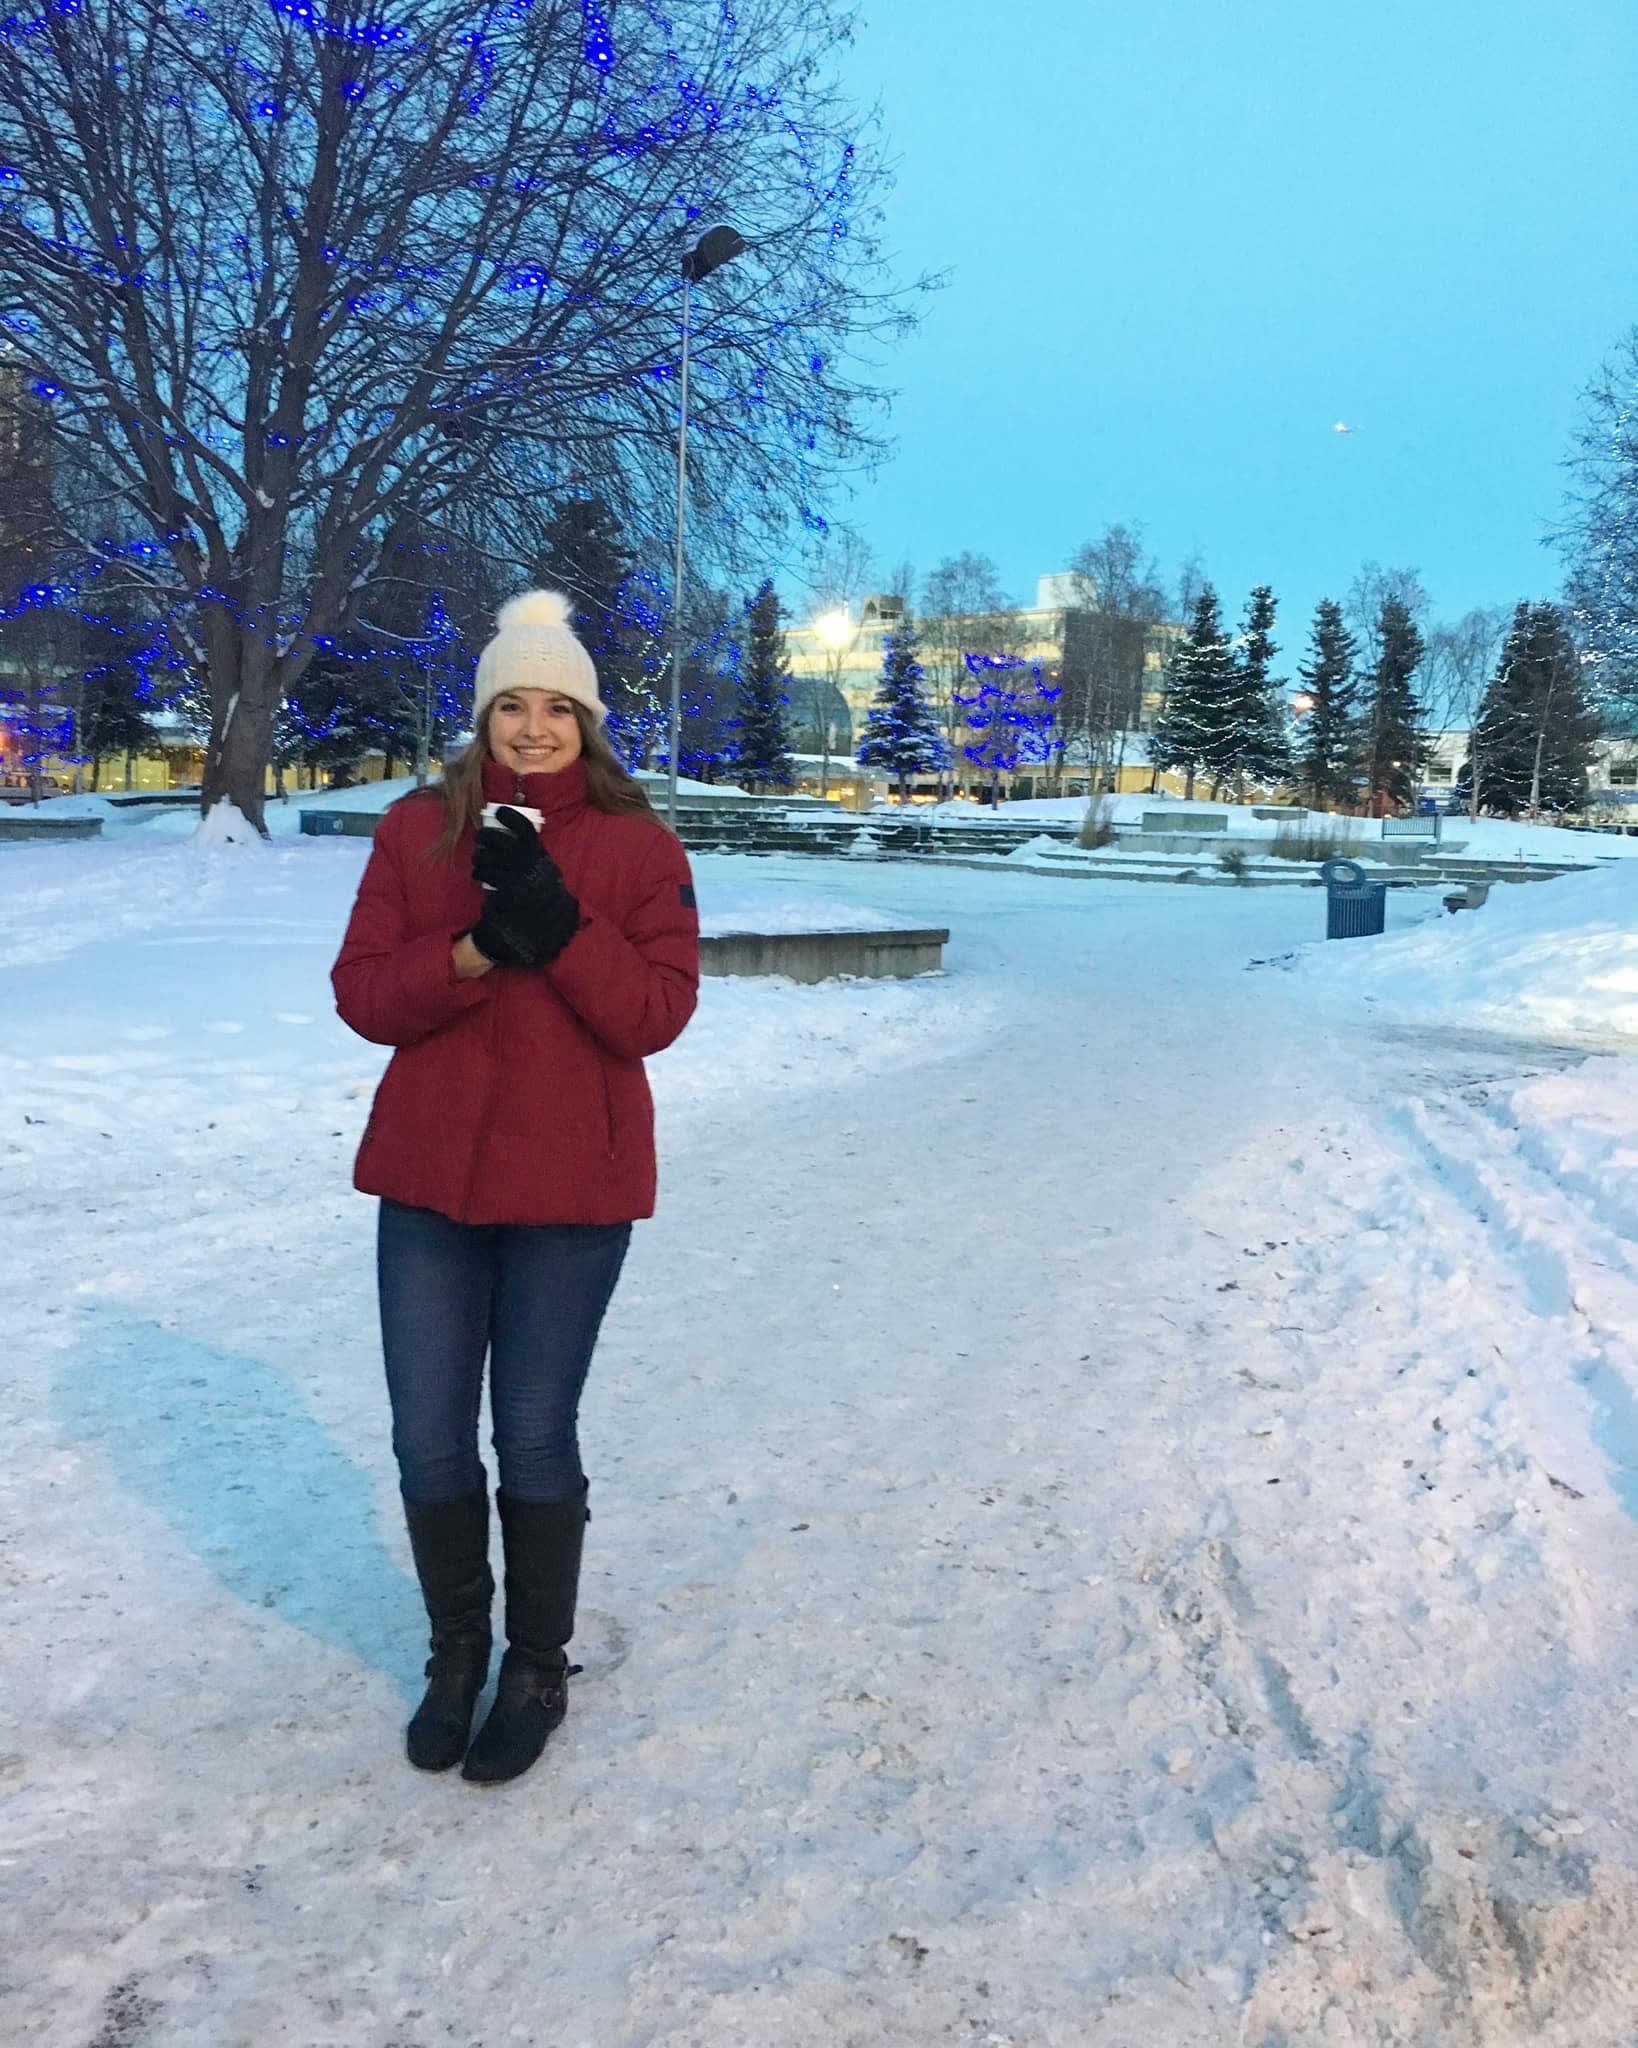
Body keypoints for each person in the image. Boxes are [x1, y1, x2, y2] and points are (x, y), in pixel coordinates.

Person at [332, 590, 699, 1784]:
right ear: (482, 712)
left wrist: (560, 919)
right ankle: (456, 1652)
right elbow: (366, 995)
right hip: (430, 1184)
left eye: (556, 707)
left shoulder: (639, 846)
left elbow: (655, 1012)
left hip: (573, 1194)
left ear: (587, 722)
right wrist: (482, 948)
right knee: (429, 1437)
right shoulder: (413, 830)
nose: (533, 728)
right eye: (511, 705)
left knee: (532, 1434)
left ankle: (535, 1665)